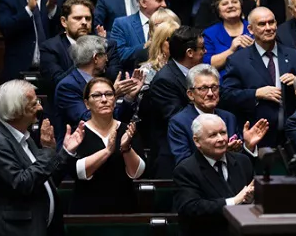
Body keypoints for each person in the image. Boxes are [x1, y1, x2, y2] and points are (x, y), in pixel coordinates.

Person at [0, 80, 85, 236]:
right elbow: (23, 183)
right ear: (16, 110)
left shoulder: (23, 138)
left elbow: (44, 181)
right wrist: (48, 152)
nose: (40, 108)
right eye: (34, 104)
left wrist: (65, 153)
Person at [221, 7, 296, 148]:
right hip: (258, 137)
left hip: (292, 135)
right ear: (251, 29)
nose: (268, 28)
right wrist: (256, 93)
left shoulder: (295, 57)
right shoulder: (237, 60)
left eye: (271, 22)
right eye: (262, 24)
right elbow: (226, 96)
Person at [173, 114, 255, 236]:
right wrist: (234, 201)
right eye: (213, 135)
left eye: (223, 133)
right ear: (197, 141)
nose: (221, 139)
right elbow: (191, 208)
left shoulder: (242, 161)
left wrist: (251, 198)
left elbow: (251, 198)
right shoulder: (186, 170)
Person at [69, 77, 145, 214]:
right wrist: (107, 151)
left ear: (115, 100)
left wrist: (126, 148)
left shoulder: (127, 130)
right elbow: (77, 172)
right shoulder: (79, 132)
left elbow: (137, 173)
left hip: (125, 207)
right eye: (97, 95)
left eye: (109, 94)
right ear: (87, 103)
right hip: (87, 209)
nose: (104, 99)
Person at [168, 64, 268, 166]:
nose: (210, 93)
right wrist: (219, 153)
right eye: (203, 88)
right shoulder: (179, 123)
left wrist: (248, 146)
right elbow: (183, 165)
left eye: (214, 87)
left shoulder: (229, 118)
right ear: (190, 94)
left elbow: (241, 165)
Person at [142, 26, 205, 178]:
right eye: (202, 48)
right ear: (190, 52)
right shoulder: (165, 80)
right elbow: (177, 118)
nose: (205, 51)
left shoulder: (200, 72)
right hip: (174, 156)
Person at [53, 35, 141, 143]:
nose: (107, 59)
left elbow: (118, 119)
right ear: (95, 58)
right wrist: (112, 94)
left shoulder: (102, 81)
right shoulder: (67, 86)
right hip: (79, 147)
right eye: (104, 54)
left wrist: (128, 98)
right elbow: (87, 119)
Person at [0, 0, 65, 82]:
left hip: (51, 70)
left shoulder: (55, 0)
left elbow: (63, 30)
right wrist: (28, 9)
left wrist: (52, 8)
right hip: (18, 70)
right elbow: (6, 29)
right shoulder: (7, 1)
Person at [40, 0, 122, 88]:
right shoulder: (50, 48)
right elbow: (57, 82)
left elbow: (113, 79)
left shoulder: (106, 45)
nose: (84, 22)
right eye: (78, 18)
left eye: (88, 18)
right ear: (64, 21)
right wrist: (87, 59)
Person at [109, 0, 167, 65]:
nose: (164, 4)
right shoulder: (122, 24)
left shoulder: (170, 22)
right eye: (159, 0)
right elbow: (118, 55)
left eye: (164, 0)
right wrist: (146, 46)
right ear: (143, 3)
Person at [202, 0, 252, 72]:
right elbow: (207, 65)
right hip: (222, 79)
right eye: (225, 4)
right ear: (218, 11)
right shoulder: (209, 34)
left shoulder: (254, 28)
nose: (231, 6)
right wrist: (231, 50)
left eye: (234, 2)